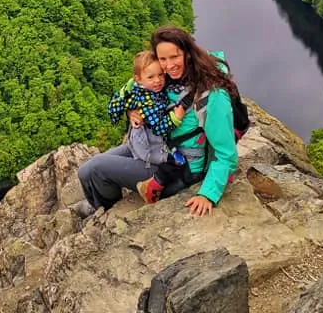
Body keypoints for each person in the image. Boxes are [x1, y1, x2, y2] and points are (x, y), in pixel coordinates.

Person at [77, 25, 240, 217]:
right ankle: (102, 202)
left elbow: (226, 153)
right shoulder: (166, 77)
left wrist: (208, 194)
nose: (169, 65)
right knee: (85, 170)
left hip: (178, 167)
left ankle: (104, 209)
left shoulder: (211, 94)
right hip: (154, 146)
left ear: (188, 53)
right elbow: (133, 89)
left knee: (97, 169)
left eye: (174, 57)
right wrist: (132, 110)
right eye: (163, 59)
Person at [107, 50, 186, 166]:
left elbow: (113, 109)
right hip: (147, 147)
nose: (157, 80)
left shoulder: (138, 88)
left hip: (136, 140)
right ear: (138, 79)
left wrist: (125, 101)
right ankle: (167, 157)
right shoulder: (148, 100)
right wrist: (175, 119)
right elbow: (158, 127)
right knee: (156, 153)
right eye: (151, 77)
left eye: (160, 75)